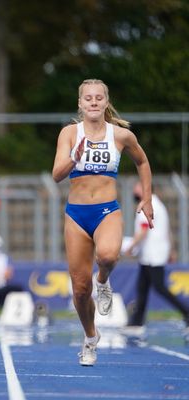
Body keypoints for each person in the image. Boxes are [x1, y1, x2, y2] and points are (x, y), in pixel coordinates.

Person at [52, 78, 153, 366]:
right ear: (80, 104)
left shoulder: (120, 135)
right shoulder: (69, 133)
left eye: (99, 98)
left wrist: (146, 198)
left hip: (107, 210)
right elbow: (56, 175)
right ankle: (90, 337)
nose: (93, 102)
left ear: (106, 102)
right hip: (76, 215)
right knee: (80, 290)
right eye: (88, 98)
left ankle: (104, 282)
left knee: (108, 255)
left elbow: (142, 163)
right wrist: (75, 157)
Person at [123, 181, 189, 334]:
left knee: (159, 287)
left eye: (137, 186)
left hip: (153, 253)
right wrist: (171, 249)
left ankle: (186, 312)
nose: (134, 189)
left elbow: (144, 230)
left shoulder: (147, 205)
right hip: (152, 253)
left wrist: (131, 246)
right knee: (142, 286)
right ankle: (137, 321)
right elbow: (167, 230)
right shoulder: (159, 204)